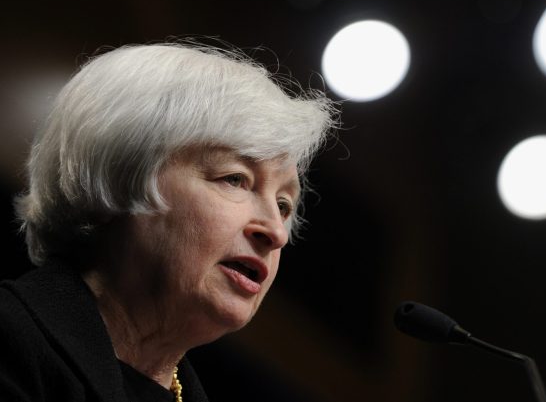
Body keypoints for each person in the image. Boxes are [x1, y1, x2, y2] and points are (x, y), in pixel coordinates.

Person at [0, 43, 337, 401]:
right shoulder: (12, 341)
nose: (276, 232)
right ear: (119, 174)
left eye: (283, 206)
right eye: (235, 179)